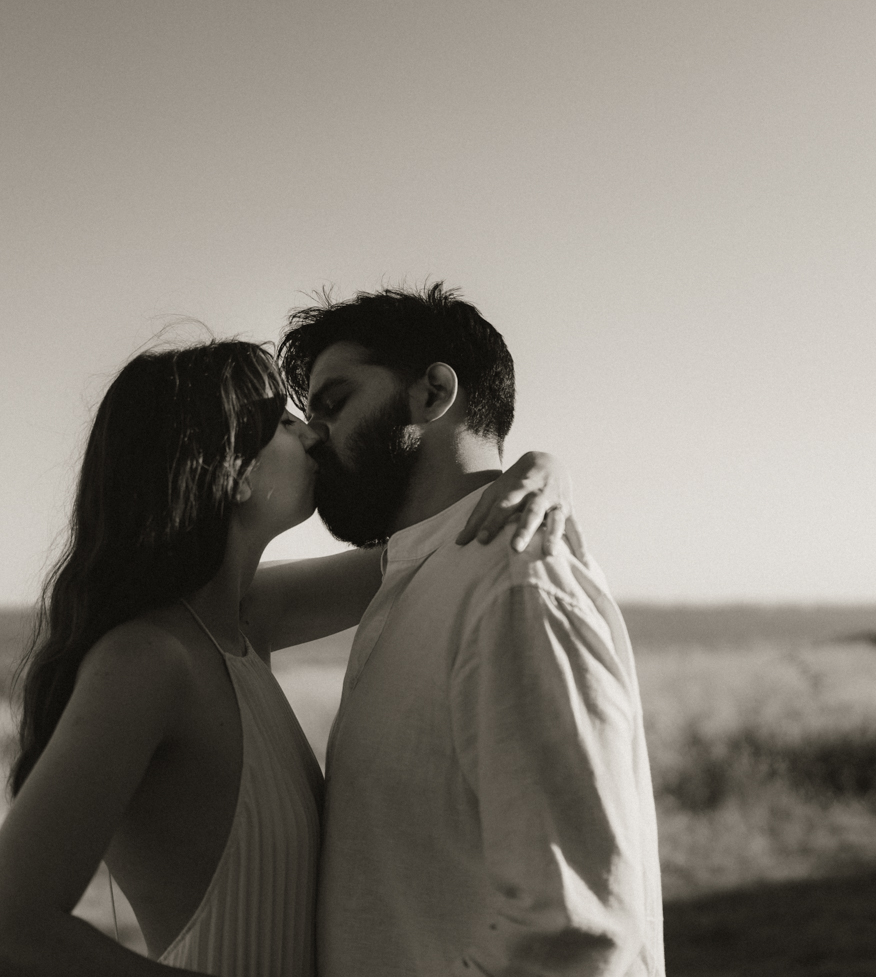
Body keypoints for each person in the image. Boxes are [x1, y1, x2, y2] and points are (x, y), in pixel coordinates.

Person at [0, 338, 566, 977]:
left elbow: (441, 545)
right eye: (283, 422)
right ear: (234, 470)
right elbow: (1, 939)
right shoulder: (149, 661)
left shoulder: (239, 622)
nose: (314, 434)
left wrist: (545, 470)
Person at [279, 284, 664, 977]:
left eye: (334, 403)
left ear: (433, 393)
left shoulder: (515, 583)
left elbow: (575, 928)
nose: (314, 435)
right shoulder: (420, 572)